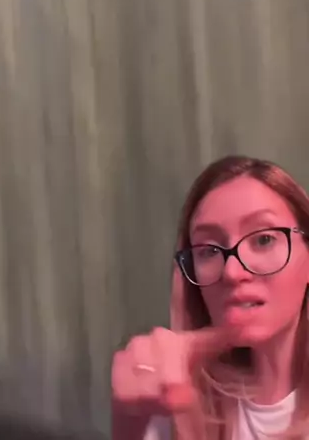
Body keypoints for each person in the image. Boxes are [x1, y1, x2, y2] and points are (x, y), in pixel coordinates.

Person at [111, 155, 309, 440]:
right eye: (210, 251)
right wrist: (129, 424)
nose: (232, 272)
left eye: (264, 239)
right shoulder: (171, 404)